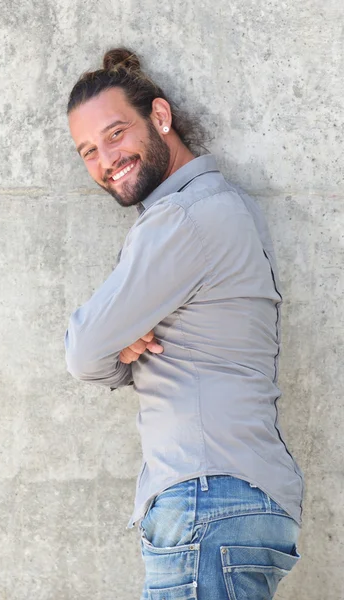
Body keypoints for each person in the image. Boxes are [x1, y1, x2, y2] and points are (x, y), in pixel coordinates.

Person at [64, 47, 304, 600]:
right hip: (239, 500)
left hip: (206, 503)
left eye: (117, 132)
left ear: (161, 118)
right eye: (89, 151)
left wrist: (122, 353)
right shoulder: (226, 205)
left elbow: (83, 352)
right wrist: (124, 347)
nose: (106, 158)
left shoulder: (181, 219)